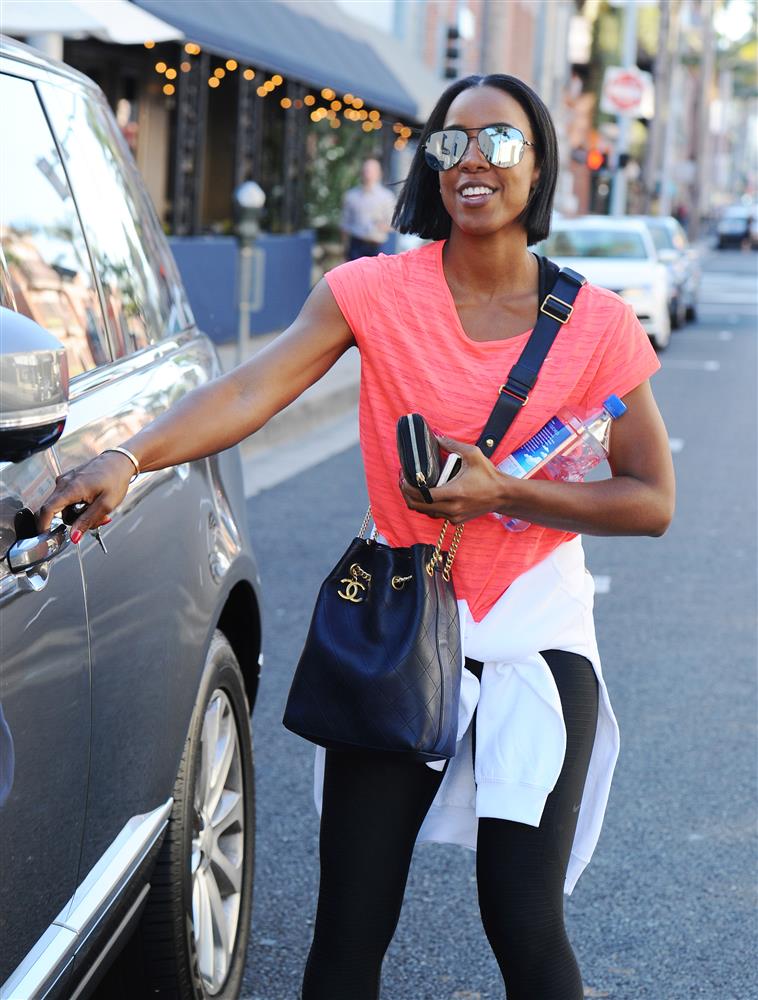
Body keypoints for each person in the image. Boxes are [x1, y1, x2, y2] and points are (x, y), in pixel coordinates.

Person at [38, 74, 675, 999]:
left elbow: (652, 500)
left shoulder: (597, 324)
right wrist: (128, 458)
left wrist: (508, 492)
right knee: (349, 928)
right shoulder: (372, 292)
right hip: (397, 623)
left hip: (537, 634)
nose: (472, 161)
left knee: (525, 922)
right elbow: (249, 389)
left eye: (499, 141)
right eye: (451, 143)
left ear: (539, 167)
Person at [340, 156, 396, 260]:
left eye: (371, 170)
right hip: (356, 245)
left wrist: (382, 226)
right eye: (366, 170)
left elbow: (394, 224)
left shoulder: (386, 197)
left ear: (379, 173)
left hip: (378, 246)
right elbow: (345, 225)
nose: (368, 173)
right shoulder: (351, 196)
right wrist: (344, 248)